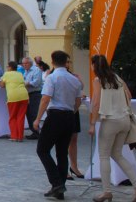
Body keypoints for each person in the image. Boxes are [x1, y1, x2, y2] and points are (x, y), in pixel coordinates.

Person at [88, 55, 136, 202]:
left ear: (94, 66)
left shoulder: (98, 81)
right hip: (124, 120)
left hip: (110, 120)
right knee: (117, 154)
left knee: (104, 156)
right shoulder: (117, 78)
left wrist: (92, 124)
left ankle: (106, 191)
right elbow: (129, 95)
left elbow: (95, 103)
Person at [33, 50, 83, 201]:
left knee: (42, 149)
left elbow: (45, 99)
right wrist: (71, 111)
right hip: (69, 116)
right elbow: (78, 100)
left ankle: (56, 183)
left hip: (55, 115)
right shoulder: (74, 79)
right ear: (65, 62)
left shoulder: (52, 77)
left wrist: (37, 119)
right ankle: (59, 187)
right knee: (62, 152)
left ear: (53, 61)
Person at [0, 61, 29, 142]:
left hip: (13, 96)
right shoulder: (20, 74)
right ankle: (20, 136)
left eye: (7, 66)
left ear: (10, 67)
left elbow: (2, 85)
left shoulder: (7, 74)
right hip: (24, 96)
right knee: (21, 117)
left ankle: (14, 136)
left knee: (13, 117)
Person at [65, 58, 85, 180]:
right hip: (63, 110)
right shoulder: (53, 75)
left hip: (74, 109)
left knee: (74, 139)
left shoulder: (73, 76)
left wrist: (78, 79)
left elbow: (81, 87)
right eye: (66, 62)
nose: (68, 64)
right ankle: (64, 168)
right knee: (63, 140)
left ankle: (74, 166)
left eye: (69, 62)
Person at [22, 56, 44, 140]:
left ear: (30, 63)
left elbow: (36, 83)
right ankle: (34, 131)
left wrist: (26, 83)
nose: (24, 65)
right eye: (23, 63)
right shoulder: (26, 71)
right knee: (28, 113)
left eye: (26, 63)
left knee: (34, 112)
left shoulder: (36, 70)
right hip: (27, 94)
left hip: (35, 93)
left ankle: (37, 131)